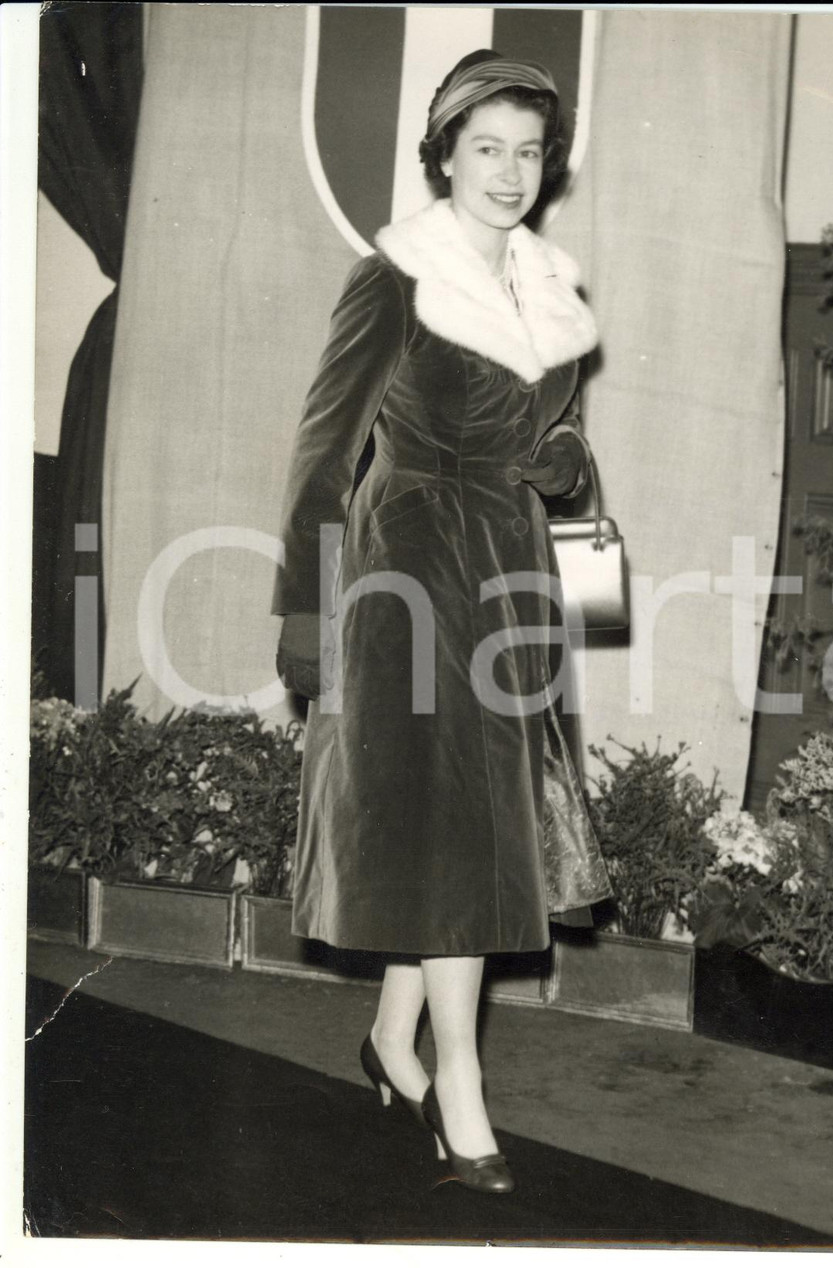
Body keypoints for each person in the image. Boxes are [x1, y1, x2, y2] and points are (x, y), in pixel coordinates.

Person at [272, 50, 611, 1194]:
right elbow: (323, 453)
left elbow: (556, 442)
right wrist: (305, 612)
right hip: (405, 569)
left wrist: (561, 463)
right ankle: (457, 1083)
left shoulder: (550, 284)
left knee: (453, 819)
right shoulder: (396, 273)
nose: (511, 172)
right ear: (445, 153)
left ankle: (385, 1038)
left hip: (509, 567)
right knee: (454, 825)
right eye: (488, 149)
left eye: (528, 150)